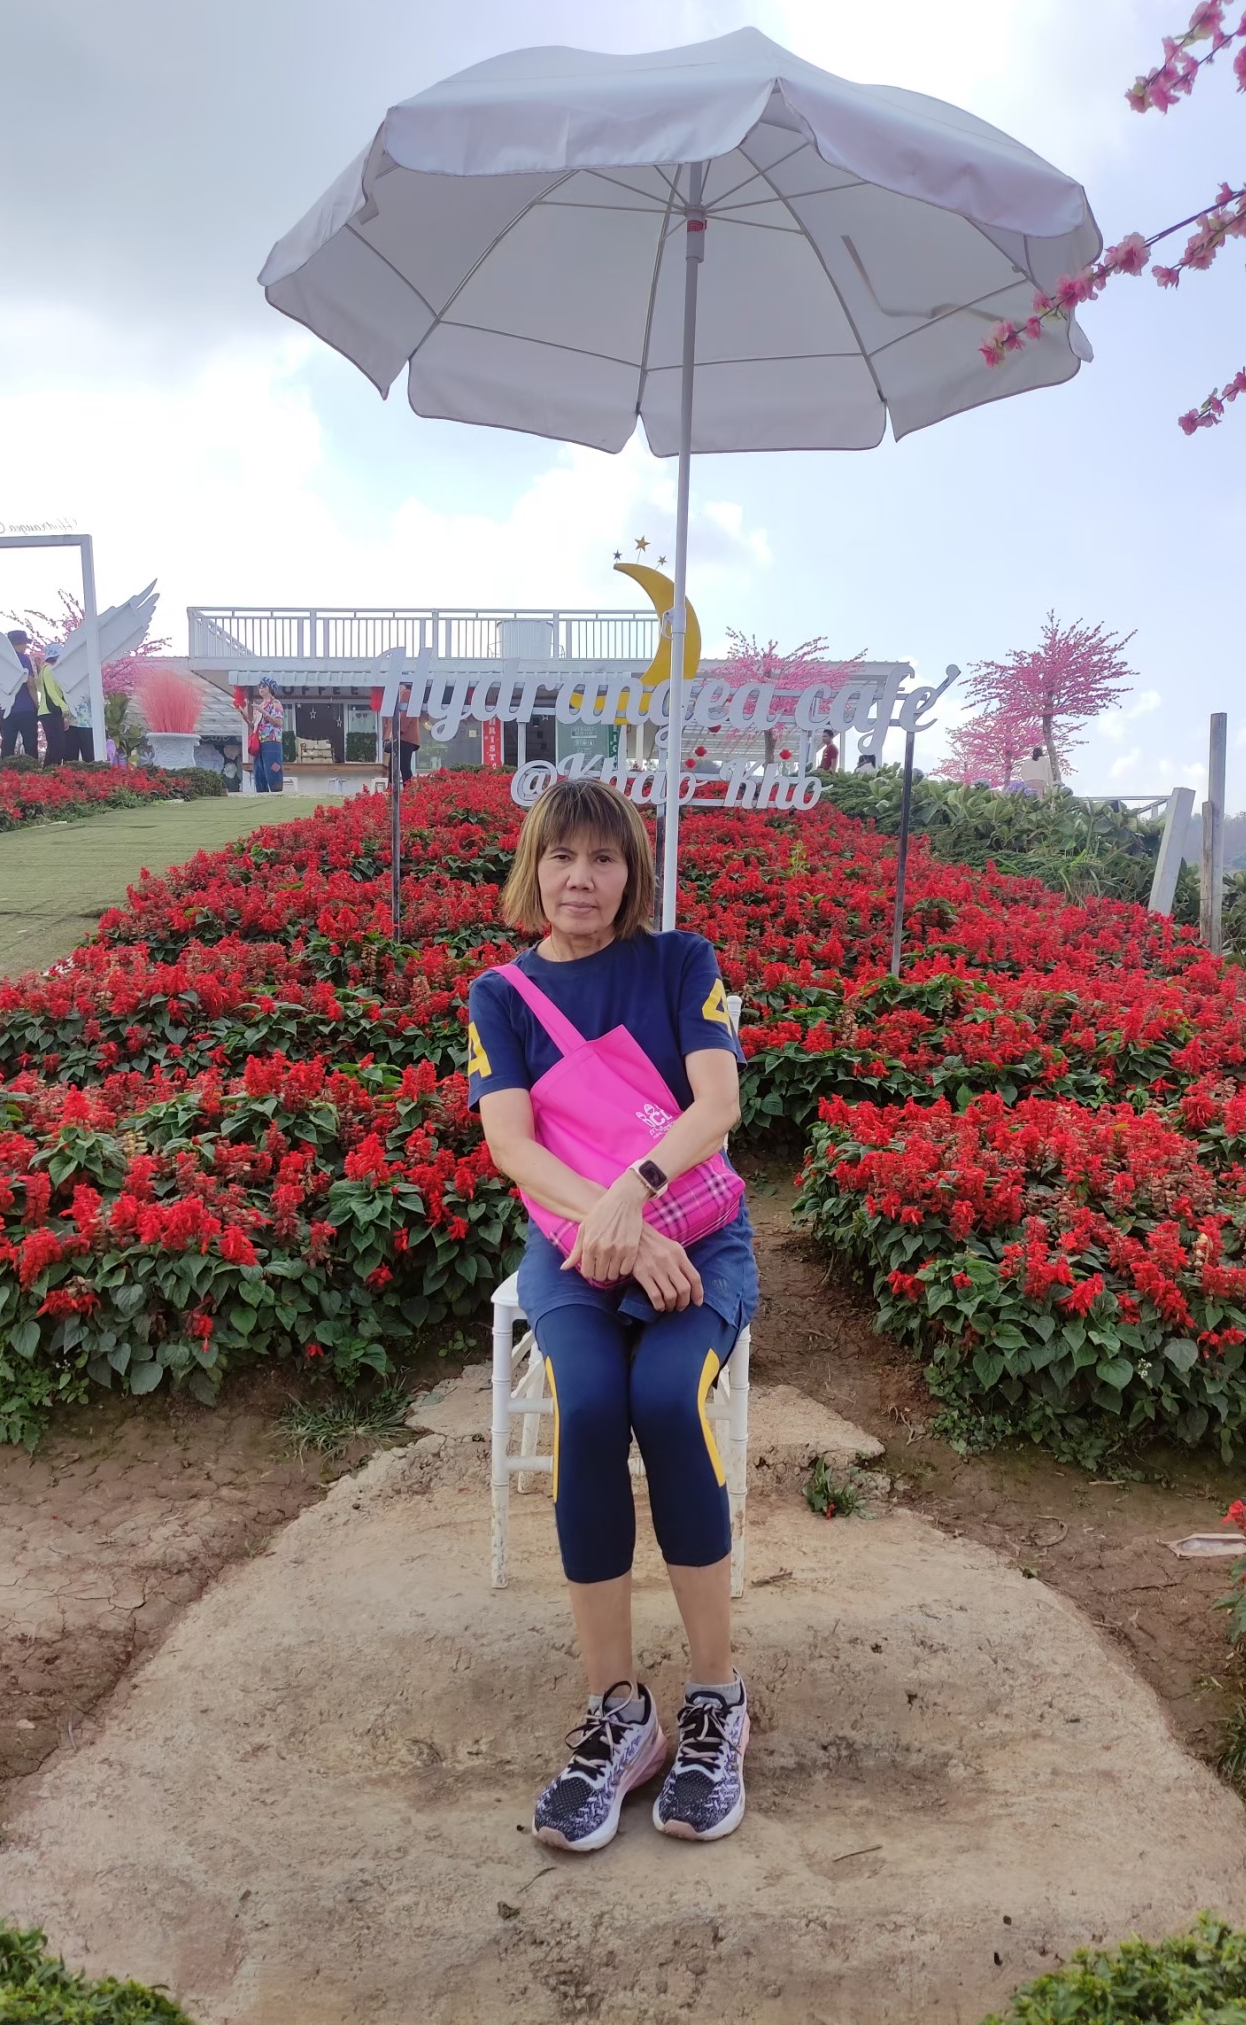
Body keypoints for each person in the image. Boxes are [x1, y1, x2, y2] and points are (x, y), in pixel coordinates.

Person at [468, 779, 757, 1855]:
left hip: (697, 1237)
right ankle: (619, 1715)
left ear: (631, 872)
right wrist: (618, 1232)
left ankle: (716, 1699)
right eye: (560, 856)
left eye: (602, 857)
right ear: (532, 867)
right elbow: (512, 1145)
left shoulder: (679, 962)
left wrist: (634, 1197)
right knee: (589, 1406)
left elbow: (717, 1106)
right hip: (573, 1249)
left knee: (667, 1402)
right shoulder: (500, 994)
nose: (579, 878)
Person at [0, 631, 38, 759]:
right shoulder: (24, 659)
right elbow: (31, 684)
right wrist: (37, 706)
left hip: (5, 709)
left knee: (7, 745)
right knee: (30, 745)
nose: (26, 647)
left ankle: (5, 770)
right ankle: (32, 769)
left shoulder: (0, 660)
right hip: (26, 708)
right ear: (21, 644)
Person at [34, 644, 72, 765]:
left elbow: (41, 688)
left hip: (48, 711)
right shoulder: (49, 669)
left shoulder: (45, 669)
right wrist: (64, 707)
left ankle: (49, 772)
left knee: (55, 746)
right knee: (57, 746)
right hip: (50, 711)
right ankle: (50, 772)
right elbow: (51, 692)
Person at [251, 678, 286, 792]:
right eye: (259, 686)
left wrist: (263, 712)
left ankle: (277, 792)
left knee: (273, 769)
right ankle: (262, 794)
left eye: (264, 686)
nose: (261, 688)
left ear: (270, 688)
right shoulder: (260, 705)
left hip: (272, 741)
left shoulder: (275, 703)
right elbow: (255, 726)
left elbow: (278, 722)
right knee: (259, 771)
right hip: (259, 742)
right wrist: (244, 715)